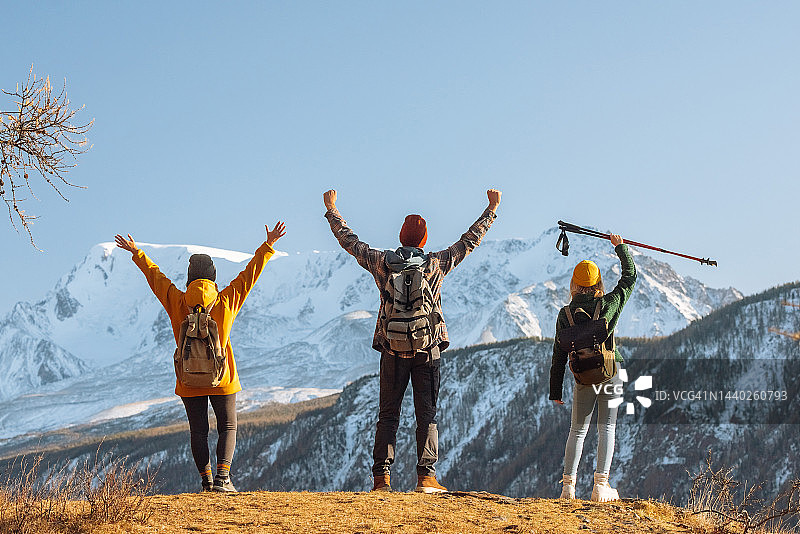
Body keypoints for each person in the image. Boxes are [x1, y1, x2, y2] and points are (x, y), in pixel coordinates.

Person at [323, 188, 501, 493]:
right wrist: (491, 209)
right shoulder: (435, 264)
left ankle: (381, 478)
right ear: (424, 240)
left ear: (400, 237)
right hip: (427, 350)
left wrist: (332, 210)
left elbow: (350, 242)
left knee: (388, 415)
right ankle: (426, 477)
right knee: (426, 414)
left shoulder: (381, 262)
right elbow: (469, 241)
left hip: (392, 349)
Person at [114, 222, 286, 492]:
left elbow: (155, 276)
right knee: (227, 426)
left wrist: (137, 252)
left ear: (189, 278)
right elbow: (249, 276)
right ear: (213, 278)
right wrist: (268, 245)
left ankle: (206, 481)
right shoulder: (226, 300)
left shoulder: (176, 300)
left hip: (188, 379)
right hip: (222, 377)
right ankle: (223, 479)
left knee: (198, 430)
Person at [549, 233, 636, 502]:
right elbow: (629, 278)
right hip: (610, 371)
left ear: (574, 284)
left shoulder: (565, 315)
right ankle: (601, 486)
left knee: (577, 430)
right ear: (598, 283)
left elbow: (558, 354)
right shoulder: (608, 304)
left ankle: (568, 488)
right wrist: (621, 248)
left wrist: (555, 390)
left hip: (583, 376)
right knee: (606, 428)